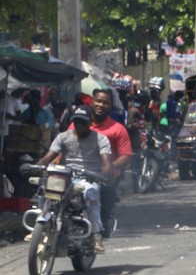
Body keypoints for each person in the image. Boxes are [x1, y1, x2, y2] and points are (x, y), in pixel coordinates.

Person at [37, 106, 112, 252]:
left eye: (83, 122)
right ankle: (40, 225)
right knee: (43, 188)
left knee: (91, 192)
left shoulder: (100, 139)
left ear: (90, 122)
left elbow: (107, 164)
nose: (79, 125)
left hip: (89, 178)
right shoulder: (63, 137)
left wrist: (104, 174)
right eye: (76, 121)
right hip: (67, 176)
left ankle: (96, 234)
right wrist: (35, 167)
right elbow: (48, 157)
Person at [90, 88, 133, 238]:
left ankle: (103, 223)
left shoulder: (118, 129)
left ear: (110, 106)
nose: (101, 105)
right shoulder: (79, 124)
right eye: (98, 101)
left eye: (105, 103)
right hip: (80, 173)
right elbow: (65, 143)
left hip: (104, 176)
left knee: (106, 192)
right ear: (92, 102)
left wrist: (111, 167)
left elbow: (126, 155)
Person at [126, 92, 148, 193]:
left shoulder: (140, 111)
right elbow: (129, 126)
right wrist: (134, 126)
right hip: (135, 141)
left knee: (137, 164)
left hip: (141, 139)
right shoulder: (134, 110)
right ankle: (135, 187)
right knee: (135, 165)